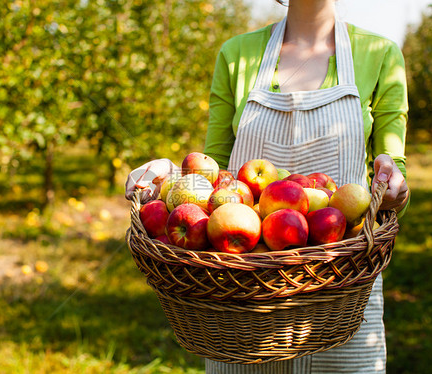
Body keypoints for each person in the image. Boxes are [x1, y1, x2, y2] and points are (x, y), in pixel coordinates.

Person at [125, 0, 410, 372]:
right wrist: (169, 176)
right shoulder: (236, 55)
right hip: (242, 299)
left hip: (340, 290)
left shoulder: (379, 54)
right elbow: (215, 177)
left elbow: (393, 180)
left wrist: (394, 190)